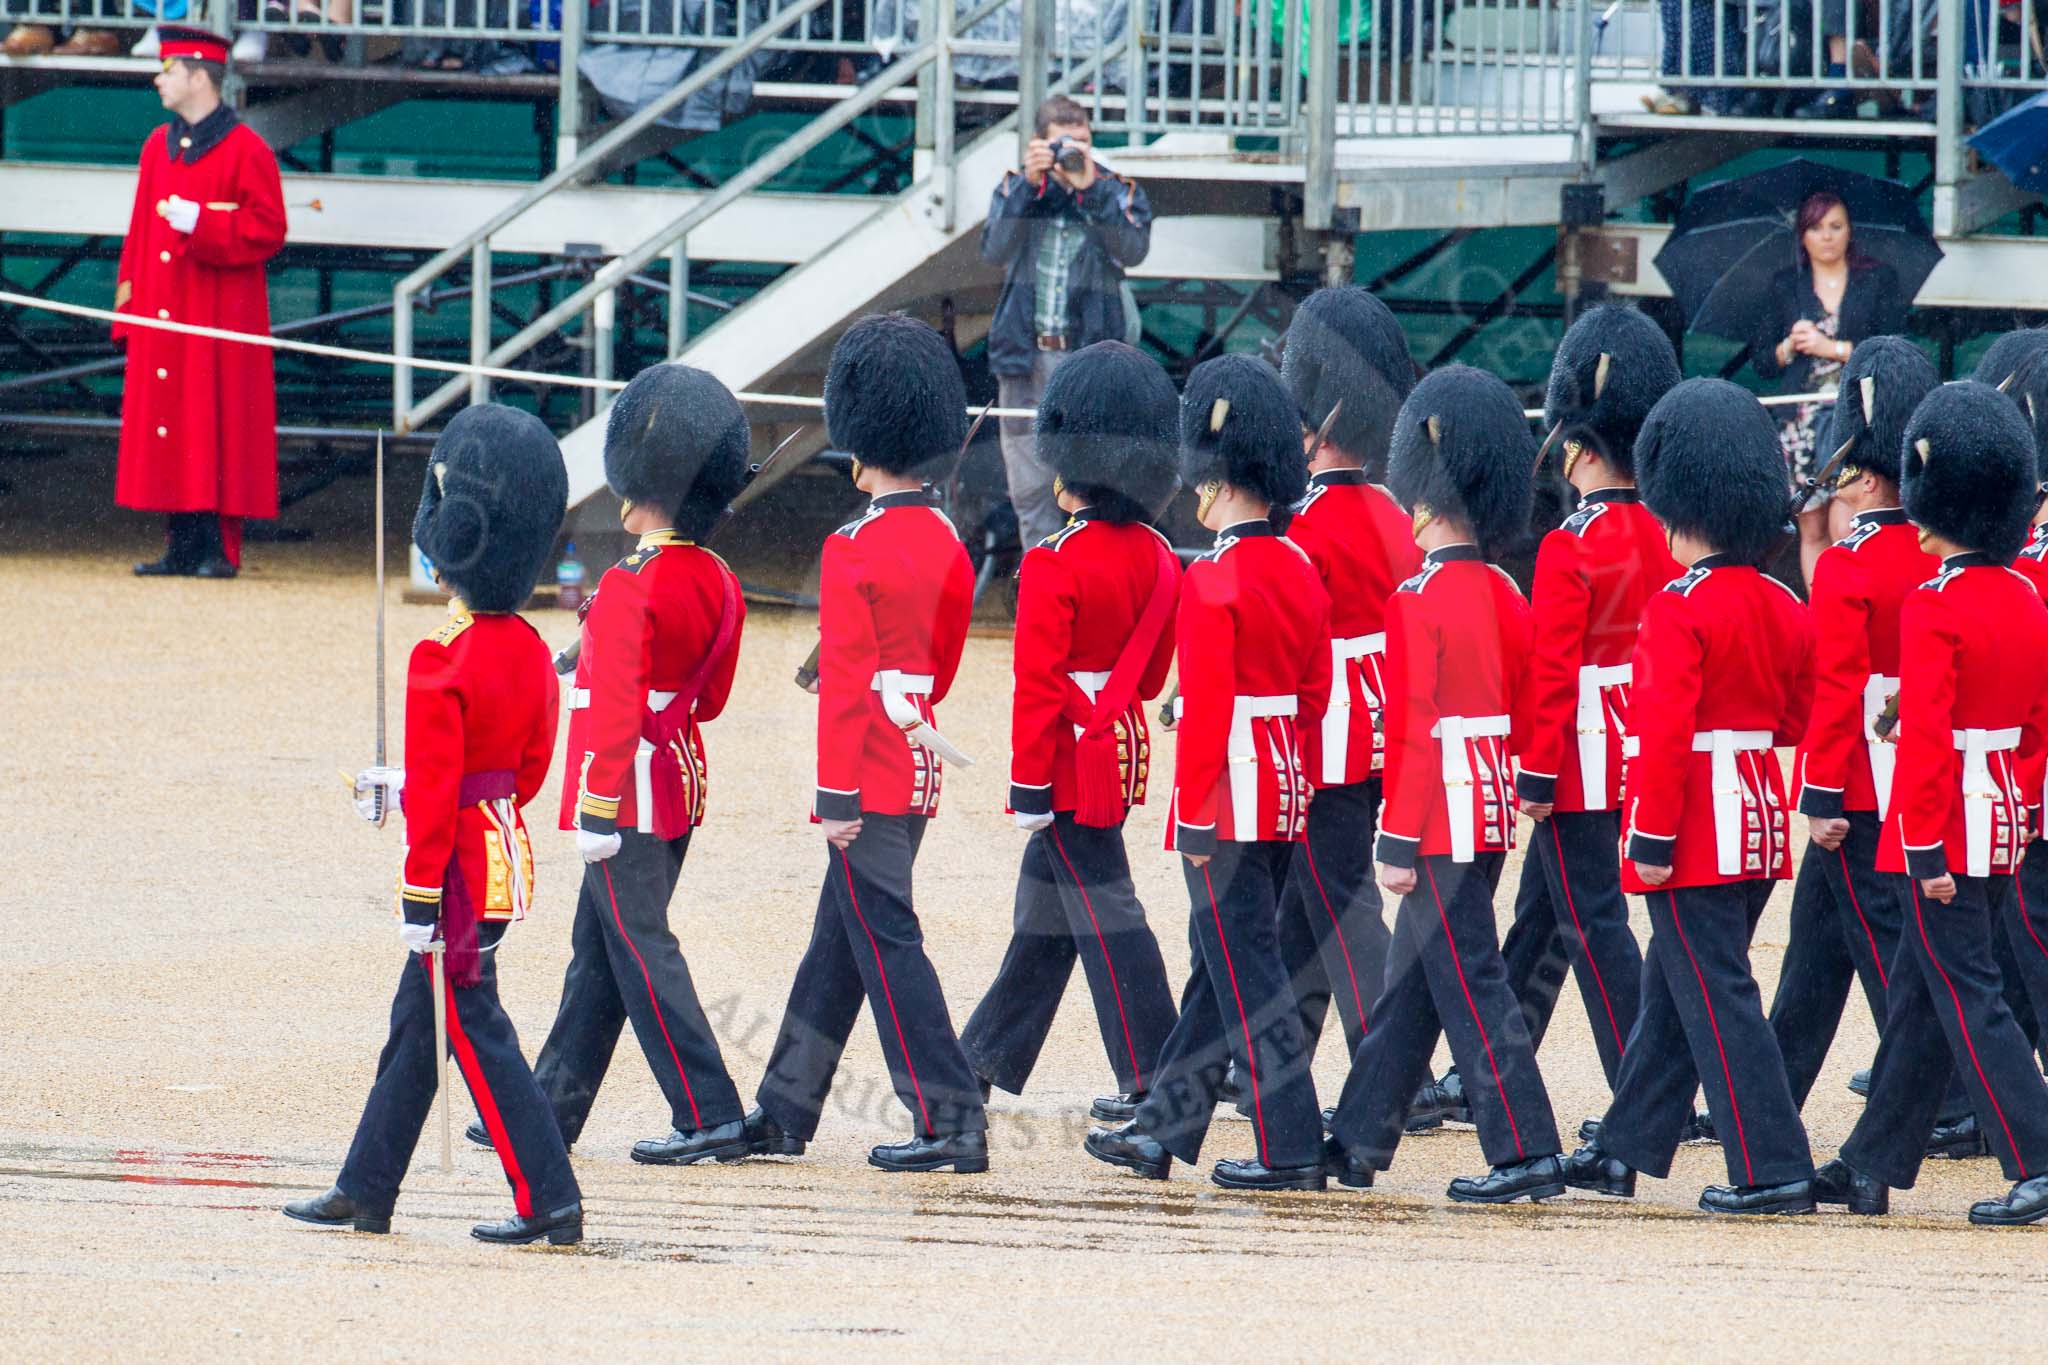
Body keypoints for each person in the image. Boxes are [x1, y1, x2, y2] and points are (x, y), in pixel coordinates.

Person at [284, 404, 583, 1246]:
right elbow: (521, 771)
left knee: (476, 1027)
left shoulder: (439, 659)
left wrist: (418, 894)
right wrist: (417, 786)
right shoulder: (527, 647)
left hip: (450, 871)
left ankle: (548, 1195)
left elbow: (440, 792)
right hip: (499, 853)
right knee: (418, 1028)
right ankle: (366, 1187)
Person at [476, 365, 754, 1166]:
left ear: (646, 487)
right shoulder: (719, 579)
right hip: (677, 780)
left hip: (624, 793)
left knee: (640, 951)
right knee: (598, 954)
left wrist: (597, 806)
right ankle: (545, 1109)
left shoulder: (633, 582)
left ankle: (709, 1110)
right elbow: (708, 700)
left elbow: (622, 707)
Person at [1562, 378, 1818, 1217]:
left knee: (1716, 994)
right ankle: (1629, 1145)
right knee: (1677, 991)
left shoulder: (1679, 609)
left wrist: (1650, 838)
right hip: (1755, 813)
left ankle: (1772, 1163)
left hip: (1695, 822)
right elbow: (1791, 721)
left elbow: (1665, 738)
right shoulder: (1785, 601)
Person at [746, 314, 991, 1174]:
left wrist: (835, 796)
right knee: (839, 938)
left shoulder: (851, 546)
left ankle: (951, 1117)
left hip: (870, 773)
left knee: (886, 939)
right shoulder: (950, 542)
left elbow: (850, 685)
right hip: (917, 757)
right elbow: (943, 659)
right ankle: (784, 1110)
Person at [1082, 354, 1332, 1191]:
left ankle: (1289, 1144)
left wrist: (1192, 818)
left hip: (1226, 794)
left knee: (1245, 965)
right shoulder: (1300, 567)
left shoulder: (1215, 575)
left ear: (1217, 479)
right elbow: (1313, 692)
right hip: (1285, 783)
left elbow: (1211, 713)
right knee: (1219, 958)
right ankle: (1162, 1131)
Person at [1322, 364, 1568, 1206]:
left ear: (1422, 497)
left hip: (1437, 815)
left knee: (1468, 977)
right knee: (1414, 978)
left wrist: (1394, 838)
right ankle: (1357, 1137)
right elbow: (1535, 701)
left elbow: (1416, 733)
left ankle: (1527, 1145)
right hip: (1492, 800)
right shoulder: (1506, 588)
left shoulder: (1416, 599)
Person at [1812, 381, 2048, 1226]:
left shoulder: (1934, 602)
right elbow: (2032, 727)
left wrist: (1921, 848)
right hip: (2000, 813)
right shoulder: (2025, 593)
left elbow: (1925, 741)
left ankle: (2038, 1152)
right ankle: (1870, 1162)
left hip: (1941, 822)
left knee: (1968, 991)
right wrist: (2012, 808)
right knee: (1917, 993)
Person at [1766, 339, 1986, 1157]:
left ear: (1859, 467)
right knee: (1815, 955)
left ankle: (1944, 1096)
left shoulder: (1850, 563)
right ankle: (1768, 1095)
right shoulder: (1940, 561)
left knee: (1897, 965)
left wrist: (1819, 796)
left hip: (1858, 787)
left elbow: (1835, 694)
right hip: (1925, 772)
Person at [960, 341, 1182, 1126]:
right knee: (1050, 919)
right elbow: (1151, 679)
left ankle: (1157, 1077)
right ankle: (978, 1063)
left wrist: (1026, 785)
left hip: (1066, 762)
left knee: (1109, 915)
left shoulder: (1055, 561)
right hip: (1119, 751)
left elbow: (1038, 689)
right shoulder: (1161, 558)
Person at [1501, 306, 1682, 1097]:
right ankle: (1491, 1065)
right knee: (1541, 918)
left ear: (1577, 446)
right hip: (1646, 738)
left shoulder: (1571, 542)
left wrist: (1535, 773)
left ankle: (1645, 1089)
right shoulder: (1669, 534)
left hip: (1579, 752)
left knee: (1594, 925)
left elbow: (1554, 669)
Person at [1270, 286, 1420, 1069]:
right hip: (1383, 723)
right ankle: (1270, 1055)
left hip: (1325, 730)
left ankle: (1396, 1062)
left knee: (1339, 898)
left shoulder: (1305, 526)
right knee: (1305, 900)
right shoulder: (1398, 513)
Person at [116, 25, 286, 579]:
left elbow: (269, 229)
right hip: (166, 309)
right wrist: (130, 311)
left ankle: (218, 545)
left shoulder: (247, 148)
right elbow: (139, 233)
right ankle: (181, 543)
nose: (159, 78)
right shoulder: (154, 146)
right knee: (171, 423)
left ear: (197, 74)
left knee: (214, 423)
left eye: (168, 69)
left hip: (216, 310)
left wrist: (206, 223)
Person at [981, 94, 1153, 551]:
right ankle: (1040, 573)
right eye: (1062, 144)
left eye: (1083, 142)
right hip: (1024, 355)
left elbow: (1133, 250)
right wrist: (1031, 183)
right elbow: (993, 249)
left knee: (1093, 478)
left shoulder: (1115, 188)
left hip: (1089, 359)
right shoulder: (1017, 186)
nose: (1074, 153)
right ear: (1038, 144)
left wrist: (1088, 187)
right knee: (1028, 483)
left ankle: (1091, 574)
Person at [1748, 191, 1907, 485]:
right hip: (1800, 418)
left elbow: (1896, 352)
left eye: (1836, 226)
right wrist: (1789, 346)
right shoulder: (1785, 285)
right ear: (1802, 236)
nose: (1827, 237)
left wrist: (1832, 348)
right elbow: (1763, 363)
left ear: (1850, 231)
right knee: (1809, 523)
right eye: (1815, 228)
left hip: (1859, 415)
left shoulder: (1879, 279)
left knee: (1847, 513)